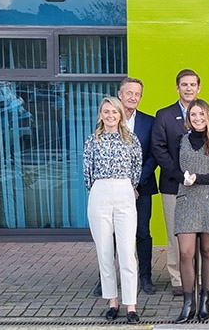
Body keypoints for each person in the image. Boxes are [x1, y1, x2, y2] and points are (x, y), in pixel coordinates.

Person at [90, 78, 157, 297]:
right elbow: (90, 167)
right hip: (111, 190)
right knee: (109, 236)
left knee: (143, 233)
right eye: (129, 93)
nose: (133, 97)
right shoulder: (106, 122)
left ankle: (145, 277)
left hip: (142, 188)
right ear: (120, 94)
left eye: (137, 94)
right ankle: (106, 281)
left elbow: (150, 156)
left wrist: (134, 184)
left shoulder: (149, 121)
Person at [83, 97, 142, 324]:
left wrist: (129, 186)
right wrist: (98, 190)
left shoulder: (131, 140)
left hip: (124, 190)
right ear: (100, 115)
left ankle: (131, 305)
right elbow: (87, 170)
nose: (110, 116)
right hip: (100, 191)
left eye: (114, 112)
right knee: (105, 252)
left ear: (120, 115)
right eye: (106, 112)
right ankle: (112, 301)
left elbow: (137, 167)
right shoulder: (92, 140)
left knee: (127, 252)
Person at [174, 99, 209, 323]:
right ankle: (188, 302)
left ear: (208, 117)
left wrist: (198, 178)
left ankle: (205, 299)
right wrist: (183, 178)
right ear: (188, 118)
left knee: (207, 251)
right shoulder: (181, 140)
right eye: (193, 115)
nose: (197, 119)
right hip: (186, 200)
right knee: (186, 253)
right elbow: (172, 168)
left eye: (201, 115)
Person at [151, 68, 202, 295]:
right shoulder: (164, 115)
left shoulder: (208, 113)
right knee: (175, 233)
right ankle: (177, 279)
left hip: (201, 187)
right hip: (173, 185)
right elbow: (159, 149)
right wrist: (179, 174)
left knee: (198, 233)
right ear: (177, 87)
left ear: (198, 88)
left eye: (192, 84)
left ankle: (197, 277)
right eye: (184, 84)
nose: (189, 88)